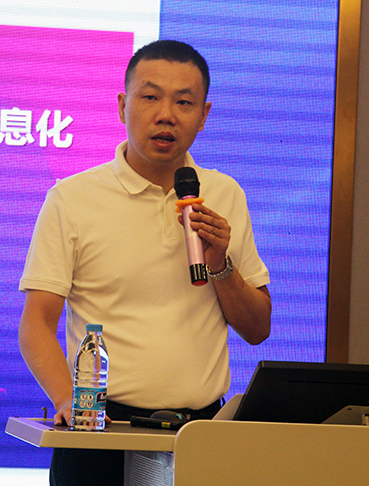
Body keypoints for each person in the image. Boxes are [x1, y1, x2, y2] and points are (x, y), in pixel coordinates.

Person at [18, 40, 271, 485]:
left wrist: (220, 264)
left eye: (184, 102)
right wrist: (68, 400)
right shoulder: (72, 199)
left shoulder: (225, 194)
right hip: (100, 433)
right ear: (123, 106)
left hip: (199, 436)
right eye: (150, 97)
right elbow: (37, 321)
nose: (166, 114)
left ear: (204, 116)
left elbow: (257, 329)